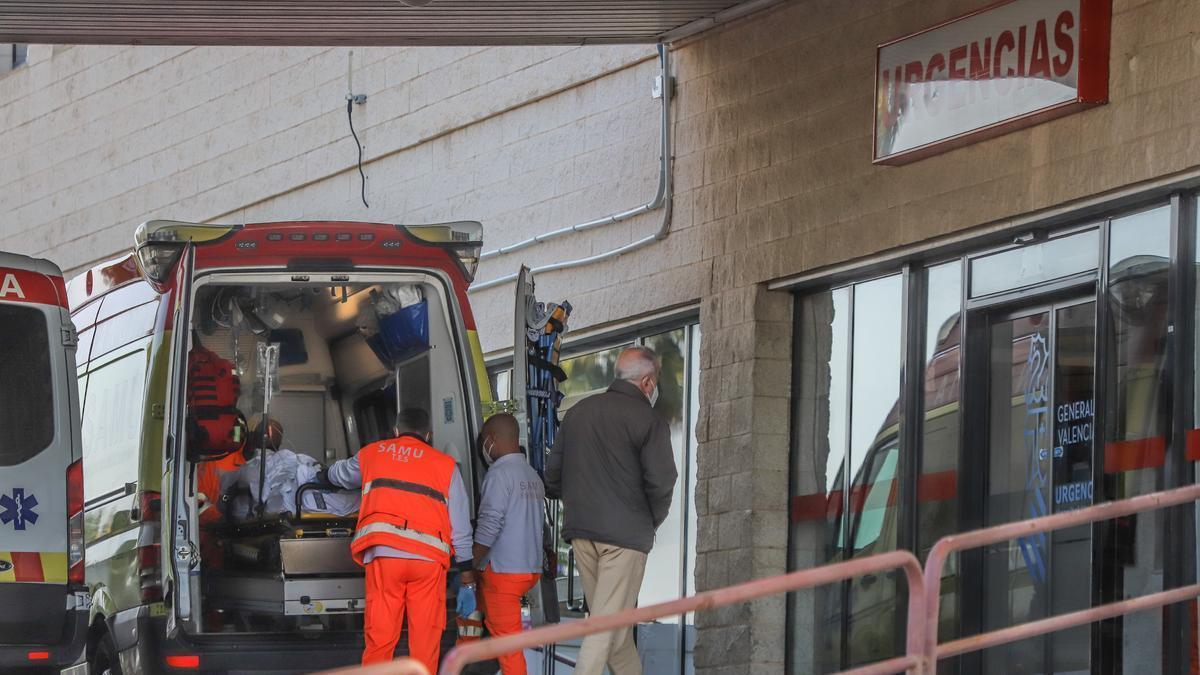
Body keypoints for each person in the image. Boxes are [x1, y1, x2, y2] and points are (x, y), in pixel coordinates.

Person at [545, 346, 677, 675]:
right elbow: (662, 482)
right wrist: (649, 522)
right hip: (625, 539)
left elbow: (551, 478)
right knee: (603, 629)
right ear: (647, 382)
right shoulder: (649, 421)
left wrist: (582, 501)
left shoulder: (577, 414)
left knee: (615, 634)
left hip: (581, 533)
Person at [322, 408, 476, 672]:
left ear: (395, 431)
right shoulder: (446, 465)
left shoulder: (373, 453)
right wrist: (467, 576)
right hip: (428, 560)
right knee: (425, 638)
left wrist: (324, 473)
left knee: (380, 636)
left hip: (385, 554)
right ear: (428, 435)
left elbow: (340, 475)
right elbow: (460, 527)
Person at [472, 413, 545, 675]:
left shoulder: (499, 474)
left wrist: (471, 562)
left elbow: (490, 524)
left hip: (504, 572)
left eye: (483, 441)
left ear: (491, 439)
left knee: (508, 648)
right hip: (529, 568)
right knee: (488, 626)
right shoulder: (532, 476)